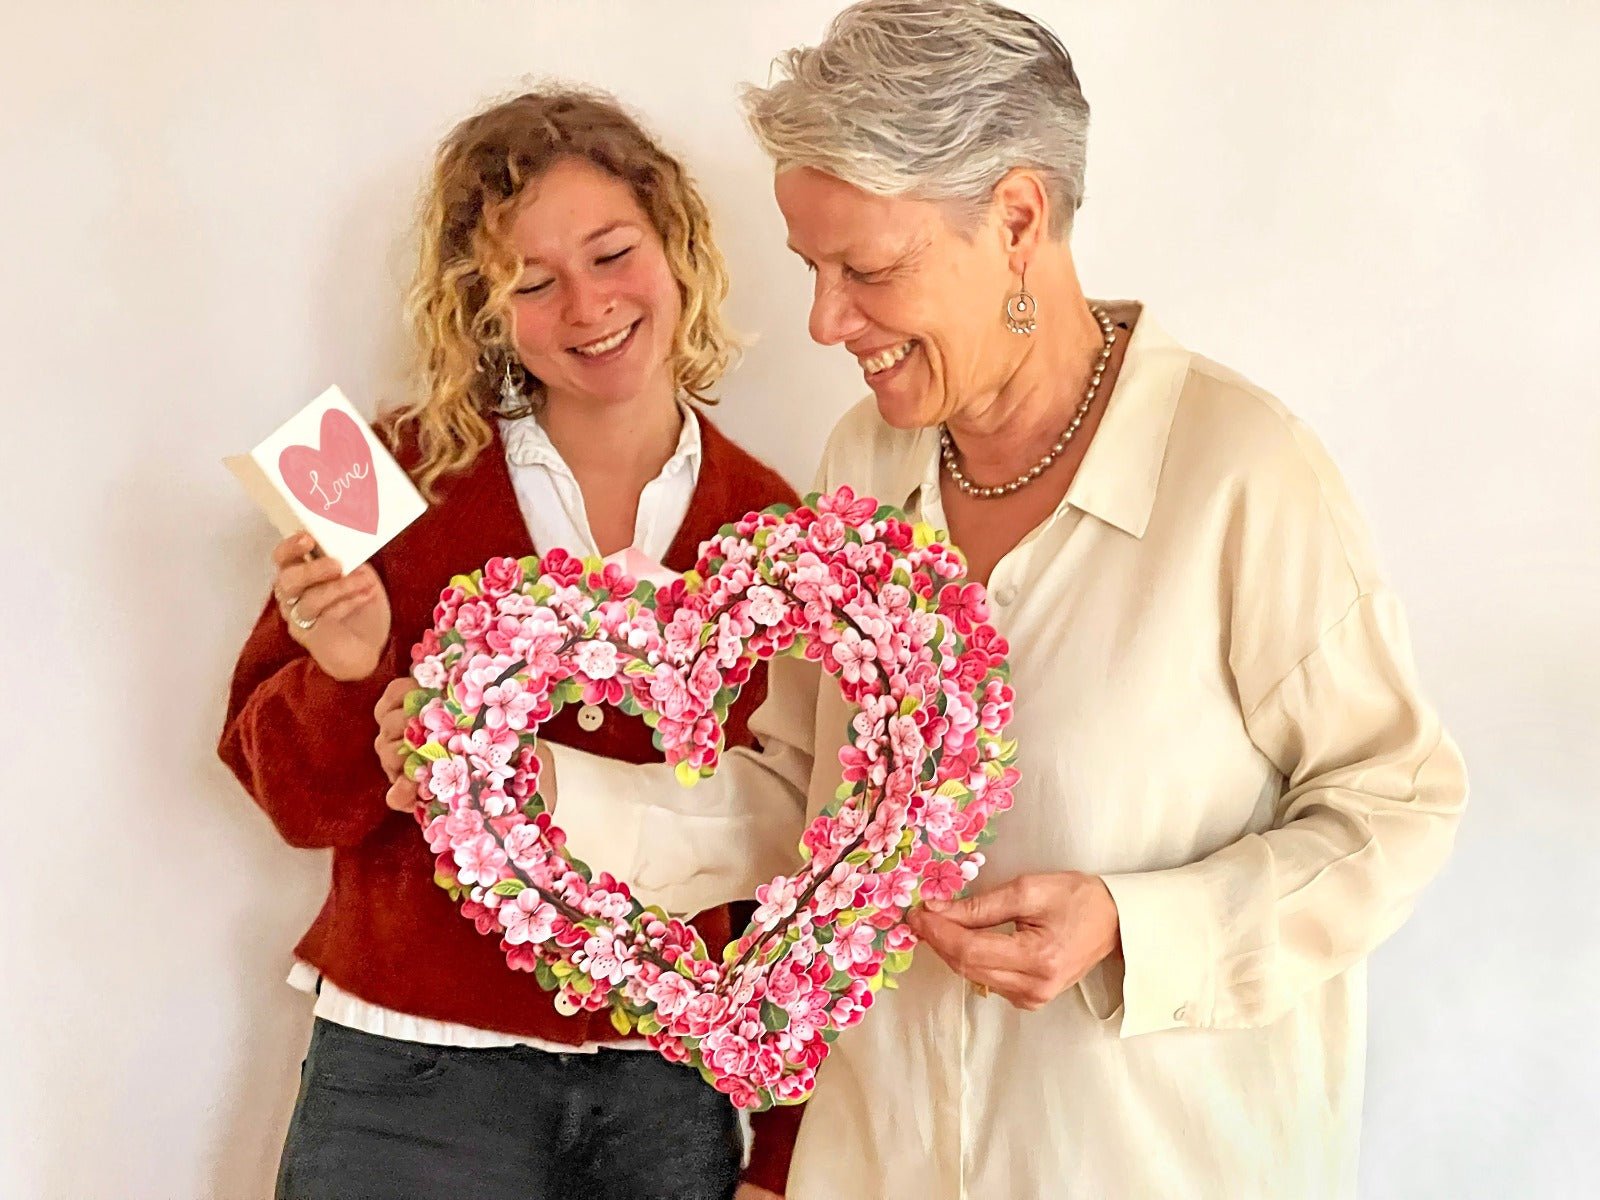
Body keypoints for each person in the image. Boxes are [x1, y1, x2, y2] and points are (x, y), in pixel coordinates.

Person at [499, 4, 1469, 1196]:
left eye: (868, 269)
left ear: (1016, 218)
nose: (824, 322)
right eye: (814, 269)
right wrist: (519, 786)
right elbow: (790, 800)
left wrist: (1131, 925)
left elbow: (1397, 808)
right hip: (881, 1163)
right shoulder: (863, 467)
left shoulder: (1238, 472)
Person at [219, 88, 801, 1200]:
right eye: (532, 283)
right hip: (408, 1072)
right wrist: (349, 676)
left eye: (611, 254)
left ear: (676, 248)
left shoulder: (778, 531)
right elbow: (291, 801)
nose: (586, 306)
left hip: (667, 1087)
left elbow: (812, 859)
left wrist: (779, 1153)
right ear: (484, 311)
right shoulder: (384, 475)